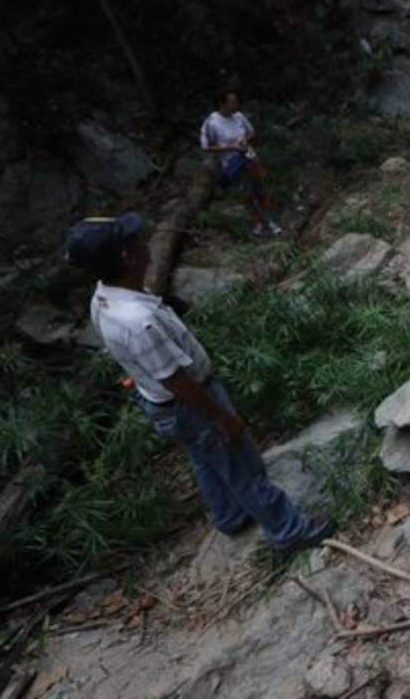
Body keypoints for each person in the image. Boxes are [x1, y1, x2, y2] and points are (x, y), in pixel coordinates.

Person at [66, 214, 332, 552]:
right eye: (136, 239)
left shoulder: (104, 297)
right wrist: (221, 417)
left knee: (205, 457)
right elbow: (177, 380)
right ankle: (289, 530)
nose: (145, 241)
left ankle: (229, 515)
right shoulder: (138, 322)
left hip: (162, 403)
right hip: (191, 402)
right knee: (240, 463)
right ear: (127, 256)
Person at [200, 91, 282, 236]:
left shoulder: (238, 116)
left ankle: (271, 221)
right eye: (232, 102)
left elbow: (251, 132)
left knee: (260, 190)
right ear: (223, 104)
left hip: (250, 157)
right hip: (233, 164)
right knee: (247, 194)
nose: (235, 105)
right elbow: (206, 146)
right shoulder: (211, 122)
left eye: (236, 102)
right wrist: (230, 147)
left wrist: (245, 140)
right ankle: (258, 223)